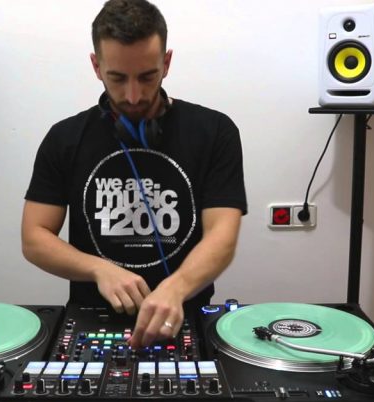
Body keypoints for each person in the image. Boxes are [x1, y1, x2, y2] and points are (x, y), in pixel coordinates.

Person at [22, 0, 246, 349]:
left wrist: (176, 287)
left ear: (166, 63)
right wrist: (98, 268)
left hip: (185, 313)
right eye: (117, 78)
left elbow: (223, 235)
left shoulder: (215, 131)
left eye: (147, 77)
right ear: (96, 66)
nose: (133, 95)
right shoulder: (64, 138)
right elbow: (34, 237)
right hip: (91, 317)